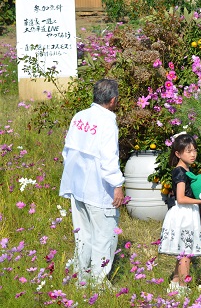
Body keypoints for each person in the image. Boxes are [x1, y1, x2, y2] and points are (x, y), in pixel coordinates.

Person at [59, 79, 125, 287]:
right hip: (98, 189)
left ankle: (81, 274)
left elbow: (67, 150)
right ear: (113, 100)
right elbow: (108, 157)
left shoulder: (80, 116)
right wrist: (117, 184)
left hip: (77, 186)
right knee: (104, 233)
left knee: (83, 233)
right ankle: (98, 281)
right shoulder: (107, 121)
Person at [159, 133, 201, 293]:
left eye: (194, 151)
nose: (193, 154)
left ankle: (175, 282)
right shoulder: (180, 172)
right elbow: (181, 198)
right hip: (183, 214)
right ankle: (184, 288)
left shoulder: (186, 169)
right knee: (186, 253)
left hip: (188, 212)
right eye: (188, 151)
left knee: (183, 250)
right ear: (178, 153)